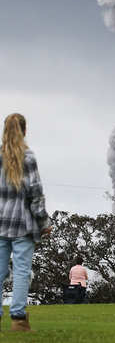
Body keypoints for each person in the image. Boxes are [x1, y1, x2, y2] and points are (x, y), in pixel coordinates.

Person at [0, 113, 51, 332]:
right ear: (25, 131)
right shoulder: (28, 158)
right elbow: (35, 195)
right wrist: (44, 222)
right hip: (23, 225)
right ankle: (19, 320)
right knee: (21, 271)